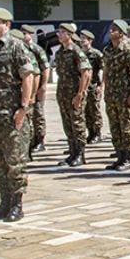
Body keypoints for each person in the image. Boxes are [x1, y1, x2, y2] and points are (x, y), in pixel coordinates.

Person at [0, 8, 37, 222]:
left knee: (15, 162)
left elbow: (28, 77)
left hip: (11, 117)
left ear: (7, 25)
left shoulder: (16, 47)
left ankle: (16, 205)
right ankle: (4, 203)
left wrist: (23, 107)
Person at [102, 19, 130, 171]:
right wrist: (103, 86)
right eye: (111, 29)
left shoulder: (128, 49)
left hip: (125, 95)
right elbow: (106, 71)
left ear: (122, 33)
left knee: (127, 126)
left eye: (114, 29)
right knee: (115, 126)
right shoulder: (108, 50)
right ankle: (120, 156)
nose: (111, 31)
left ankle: (129, 157)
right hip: (111, 95)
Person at [53, 23, 92, 168]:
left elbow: (86, 73)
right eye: (59, 32)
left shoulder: (76, 51)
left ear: (69, 35)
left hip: (75, 94)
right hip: (63, 94)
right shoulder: (59, 52)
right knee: (68, 124)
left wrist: (80, 94)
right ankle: (72, 152)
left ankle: (80, 154)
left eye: (62, 32)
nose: (59, 35)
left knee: (77, 124)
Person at [21, 26, 50, 153]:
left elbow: (45, 68)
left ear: (31, 35)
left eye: (25, 33)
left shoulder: (37, 50)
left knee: (38, 114)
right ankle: (30, 141)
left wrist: (43, 86)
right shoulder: (20, 49)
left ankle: (40, 140)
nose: (23, 35)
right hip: (26, 87)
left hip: (36, 88)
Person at [80, 29, 104, 143]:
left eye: (84, 38)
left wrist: (101, 85)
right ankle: (91, 132)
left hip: (93, 85)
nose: (82, 40)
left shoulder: (96, 54)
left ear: (90, 40)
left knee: (94, 110)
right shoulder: (79, 53)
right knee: (85, 111)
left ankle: (97, 133)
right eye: (81, 38)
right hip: (83, 86)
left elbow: (104, 70)